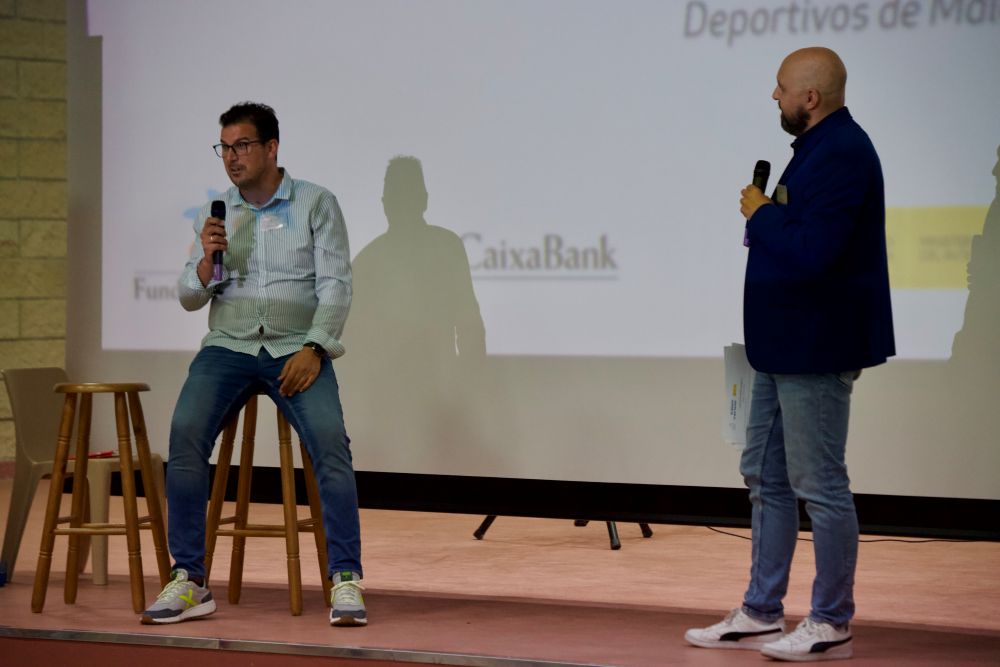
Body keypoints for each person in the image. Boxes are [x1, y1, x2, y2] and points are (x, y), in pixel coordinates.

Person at [685, 47, 894, 661]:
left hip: (817, 346)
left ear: (811, 97)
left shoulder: (845, 153)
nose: (772, 97)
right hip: (781, 347)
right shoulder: (812, 154)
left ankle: (831, 620)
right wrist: (772, 216)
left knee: (820, 484)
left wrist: (761, 216)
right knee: (765, 476)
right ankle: (760, 609)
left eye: (781, 89)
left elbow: (816, 251)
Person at [141, 102, 366, 627]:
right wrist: (204, 261)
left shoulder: (316, 203)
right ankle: (191, 580)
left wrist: (316, 347)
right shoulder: (217, 213)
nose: (232, 158)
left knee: (331, 442)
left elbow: (336, 284)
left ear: (271, 148)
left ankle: (346, 578)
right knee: (185, 433)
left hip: (296, 345)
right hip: (230, 346)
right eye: (224, 147)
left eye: (242, 146)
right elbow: (189, 297)